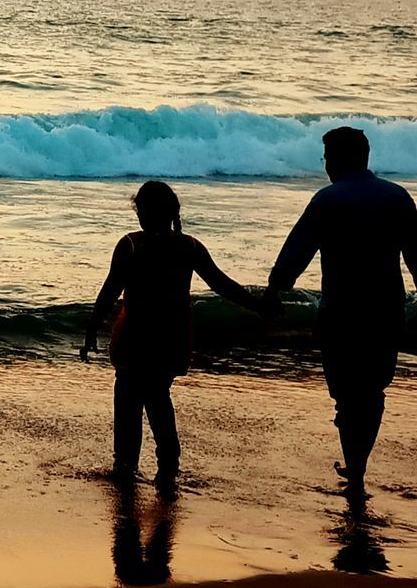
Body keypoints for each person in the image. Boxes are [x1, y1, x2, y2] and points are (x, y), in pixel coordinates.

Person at [82, 180, 268, 487]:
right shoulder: (189, 247)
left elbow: (109, 291)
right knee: (159, 398)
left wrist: (92, 329)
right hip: (172, 338)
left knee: (128, 399)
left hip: (134, 336)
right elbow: (223, 285)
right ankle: (168, 466)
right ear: (173, 213)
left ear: (139, 213)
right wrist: (258, 306)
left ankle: (126, 465)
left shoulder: (130, 244)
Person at [263, 126, 417, 495]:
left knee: (346, 394)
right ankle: (358, 467)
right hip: (386, 308)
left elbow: (297, 250)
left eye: (327, 158)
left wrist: (274, 289)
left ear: (339, 159)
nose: (326, 165)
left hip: (341, 310)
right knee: (373, 390)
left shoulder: (328, 200)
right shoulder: (397, 197)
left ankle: (356, 469)